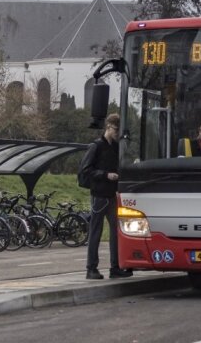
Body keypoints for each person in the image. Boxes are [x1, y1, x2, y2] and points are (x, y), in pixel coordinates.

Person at [78, 114, 131, 279]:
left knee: (116, 232)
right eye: (115, 129)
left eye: (118, 130)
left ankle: (115, 267)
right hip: (99, 194)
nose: (117, 133)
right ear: (108, 126)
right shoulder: (96, 146)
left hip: (111, 194)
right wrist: (106, 175)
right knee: (96, 231)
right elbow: (85, 170)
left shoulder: (115, 147)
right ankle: (91, 268)